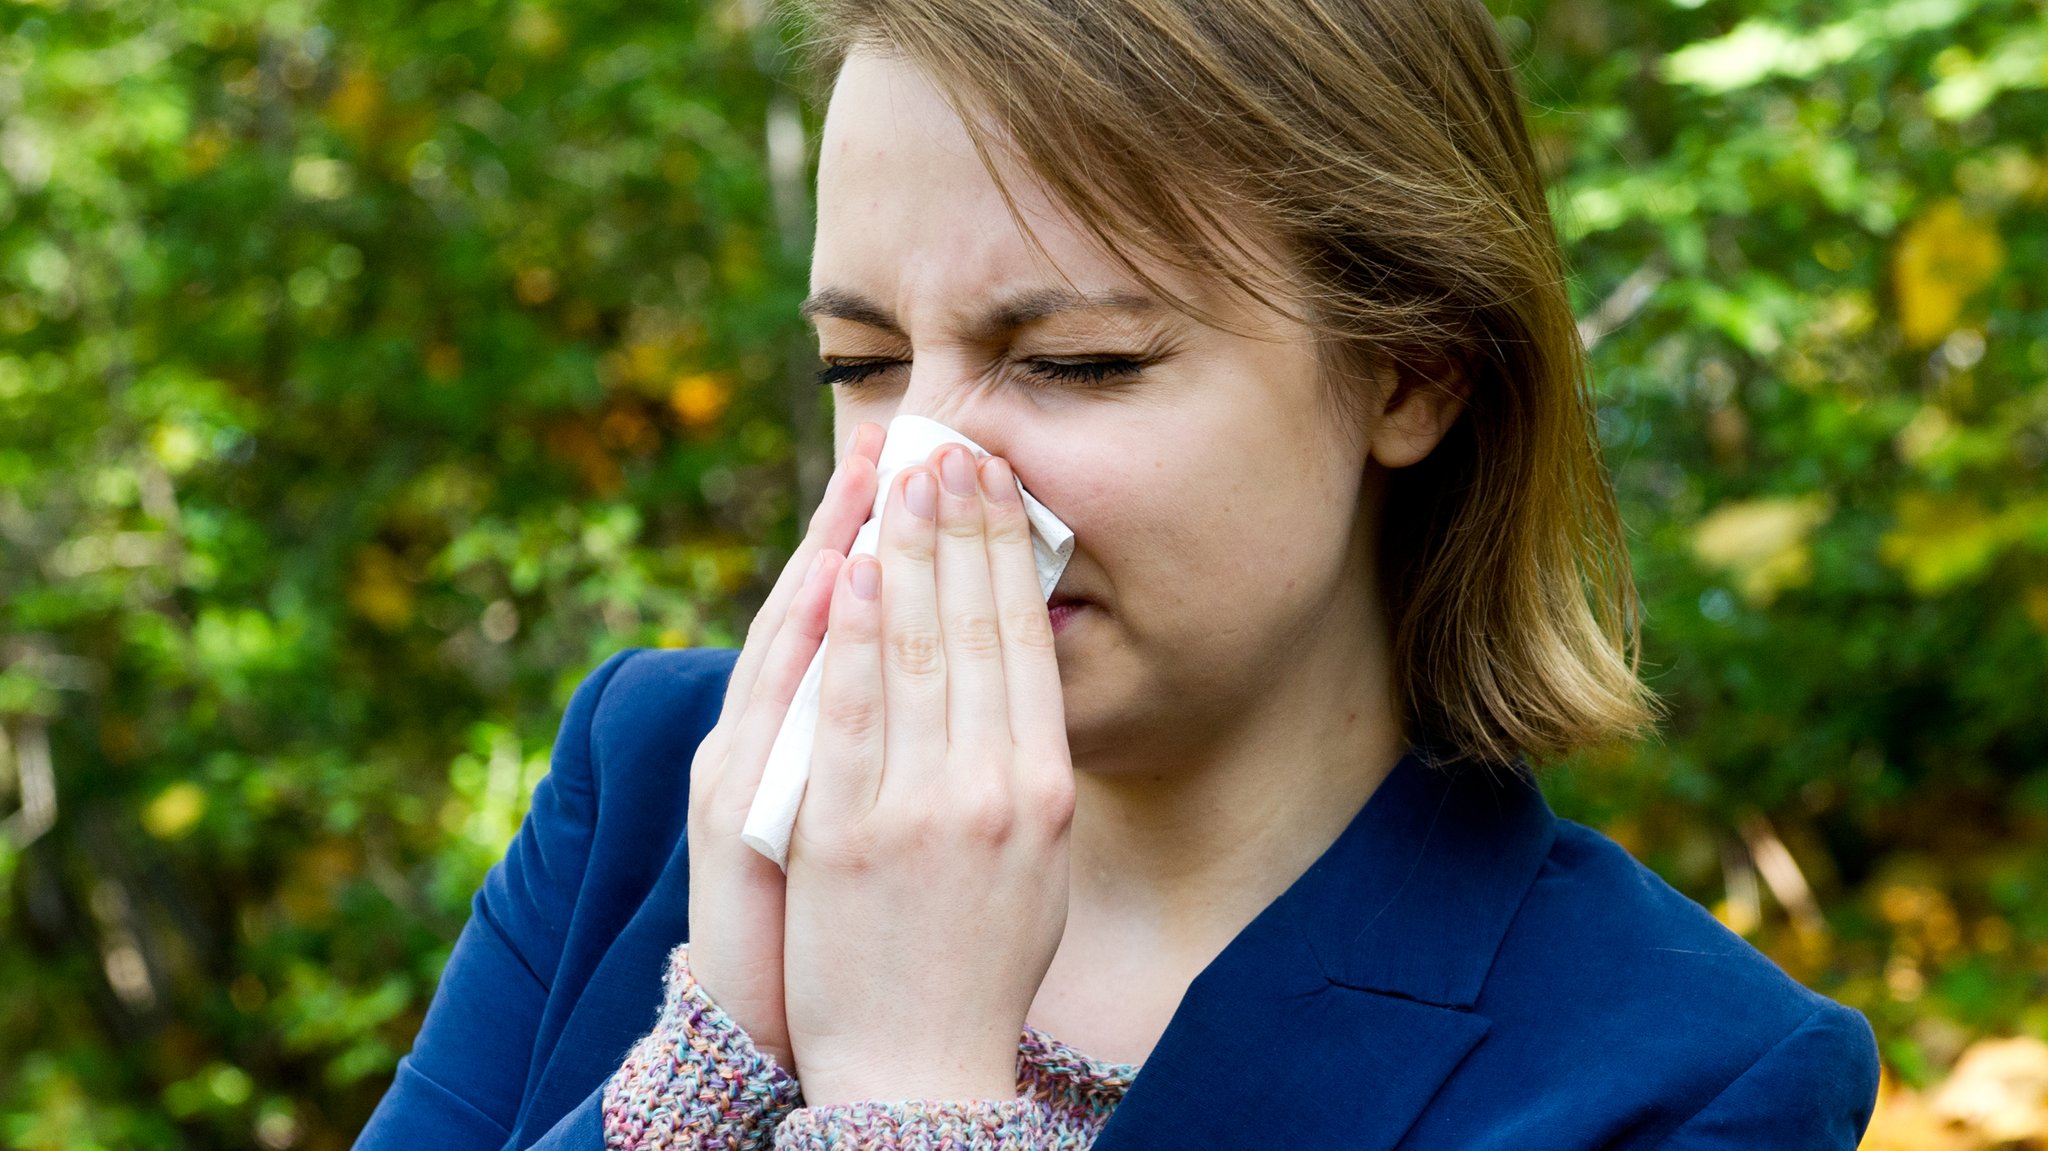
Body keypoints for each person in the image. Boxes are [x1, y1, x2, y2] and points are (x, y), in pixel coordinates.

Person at [355, 1, 1883, 1148]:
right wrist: (719, 1058)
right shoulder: (651, 784)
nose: (923, 475)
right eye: (862, 364)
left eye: (1079, 363)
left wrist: (912, 1104)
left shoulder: (1685, 1074)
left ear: (1415, 371)